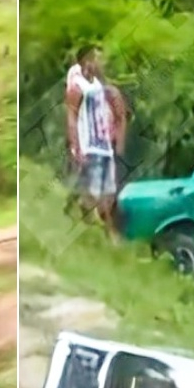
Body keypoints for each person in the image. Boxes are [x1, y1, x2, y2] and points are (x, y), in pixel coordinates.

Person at [64, 45, 127, 241]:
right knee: (97, 193)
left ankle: (82, 208)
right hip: (89, 145)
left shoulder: (98, 85)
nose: (101, 62)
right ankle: (109, 234)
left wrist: (115, 138)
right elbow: (71, 117)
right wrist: (76, 145)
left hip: (104, 146)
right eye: (97, 58)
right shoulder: (77, 86)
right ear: (86, 61)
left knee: (108, 192)